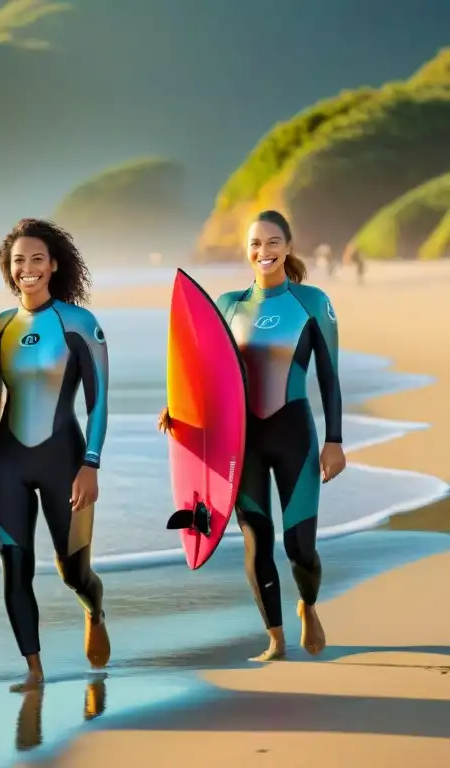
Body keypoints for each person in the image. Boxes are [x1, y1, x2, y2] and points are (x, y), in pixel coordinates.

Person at [158, 209, 346, 662]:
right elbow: (205, 374)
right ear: (247, 250)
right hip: (243, 442)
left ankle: (308, 603)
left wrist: (334, 440)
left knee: (301, 548)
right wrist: (177, 409)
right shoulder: (228, 305)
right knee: (257, 540)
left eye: (272, 242)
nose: (263, 251)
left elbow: (329, 377)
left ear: (288, 246)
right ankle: (276, 638)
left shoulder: (312, 302)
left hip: (294, 434)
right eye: (255, 244)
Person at [0, 218, 111, 692]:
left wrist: (91, 464)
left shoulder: (79, 323)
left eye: (36, 259)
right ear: (9, 269)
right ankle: (34, 670)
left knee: (73, 571)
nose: (27, 269)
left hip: (65, 459)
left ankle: (93, 608)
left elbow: (98, 399)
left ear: (54, 264)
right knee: (15, 566)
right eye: (18, 261)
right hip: (8, 464)